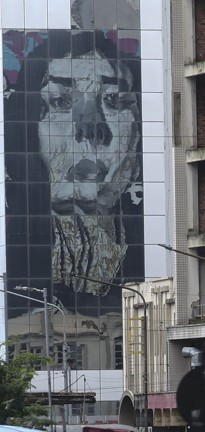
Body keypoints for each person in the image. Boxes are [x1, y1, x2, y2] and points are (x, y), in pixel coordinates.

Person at [3, 29, 143, 304]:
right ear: (28, 133)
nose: (90, 129)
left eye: (113, 100)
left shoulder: (156, 256)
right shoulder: (15, 261)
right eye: (60, 101)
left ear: (137, 139)